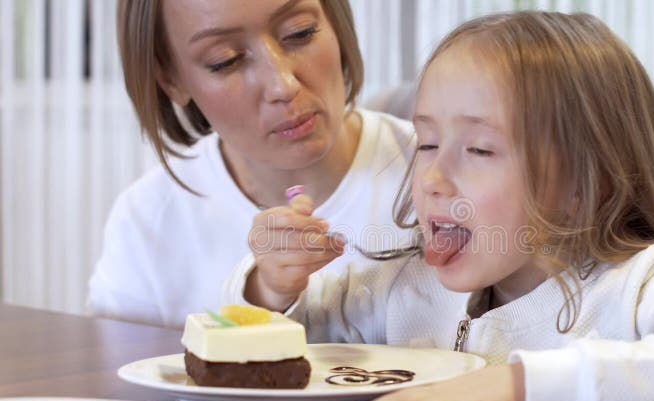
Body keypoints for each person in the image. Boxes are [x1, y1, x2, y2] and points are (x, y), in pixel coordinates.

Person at [223, 11, 654, 401]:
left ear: (584, 183)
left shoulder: (638, 290)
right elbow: (278, 339)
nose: (431, 178)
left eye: (478, 149)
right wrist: (272, 287)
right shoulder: (401, 287)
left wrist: (519, 386)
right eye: (426, 142)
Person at [87, 0, 415, 328]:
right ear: (170, 79)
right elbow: (110, 373)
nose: (283, 85)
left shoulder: (440, 174)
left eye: (300, 33)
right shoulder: (148, 221)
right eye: (225, 60)